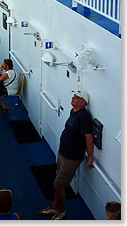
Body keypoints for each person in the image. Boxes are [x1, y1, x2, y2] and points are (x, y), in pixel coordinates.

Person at [39, 91, 94, 220]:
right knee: (58, 180)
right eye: (74, 96)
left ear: (83, 102)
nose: (73, 98)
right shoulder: (73, 111)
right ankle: (55, 206)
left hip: (72, 157)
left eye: (76, 97)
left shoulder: (84, 117)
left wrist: (90, 157)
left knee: (58, 185)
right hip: (63, 152)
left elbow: (89, 138)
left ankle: (61, 210)